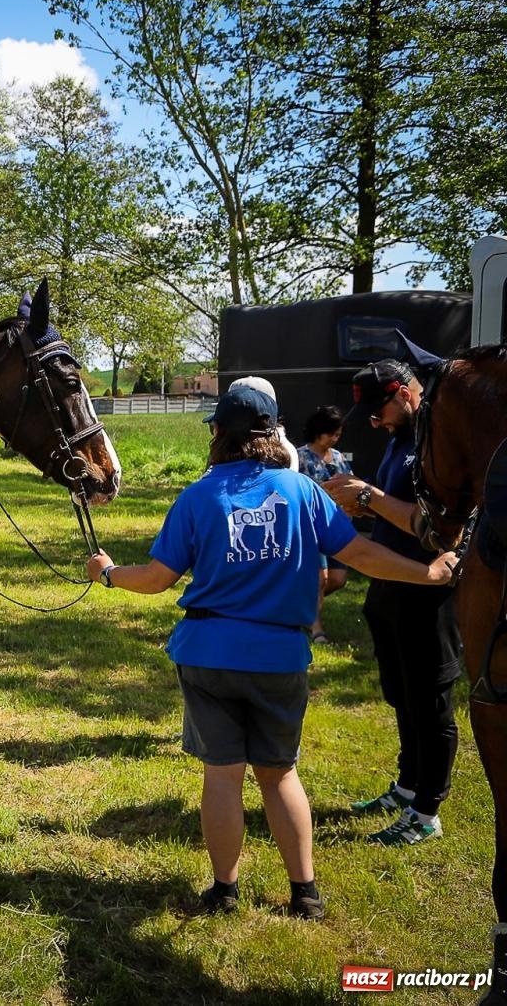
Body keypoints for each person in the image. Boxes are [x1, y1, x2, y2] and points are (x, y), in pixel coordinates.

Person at [85, 386, 457, 919]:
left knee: (222, 774)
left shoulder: (197, 496)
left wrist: (108, 574)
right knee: (280, 774)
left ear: (220, 433)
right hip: (281, 657)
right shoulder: (304, 492)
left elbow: (158, 578)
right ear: (271, 432)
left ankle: (224, 890)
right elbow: (359, 553)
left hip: (208, 654)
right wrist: (427, 572)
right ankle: (305, 893)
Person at [324, 351, 462, 847]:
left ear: (405, 393)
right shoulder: (401, 436)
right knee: (402, 694)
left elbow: (439, 525)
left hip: (428, 590)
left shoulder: (438, 438)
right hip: (391, 586)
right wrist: (356, 507)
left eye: (379, 411)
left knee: (431, 701)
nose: (374, 423)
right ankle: (407, 787)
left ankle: (427, 812)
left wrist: (369, 497)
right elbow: (393, 512)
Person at [297, 406, 354, 643]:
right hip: (311, 527)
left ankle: (302, 607)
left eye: (338, 435)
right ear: (318, 432)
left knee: (338, 579)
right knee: (319, 578)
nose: (335, 439)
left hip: (337, 526)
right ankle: (317, 629)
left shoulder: (339, 458)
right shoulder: (300, 457)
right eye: (331, 434)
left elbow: (350, 483)